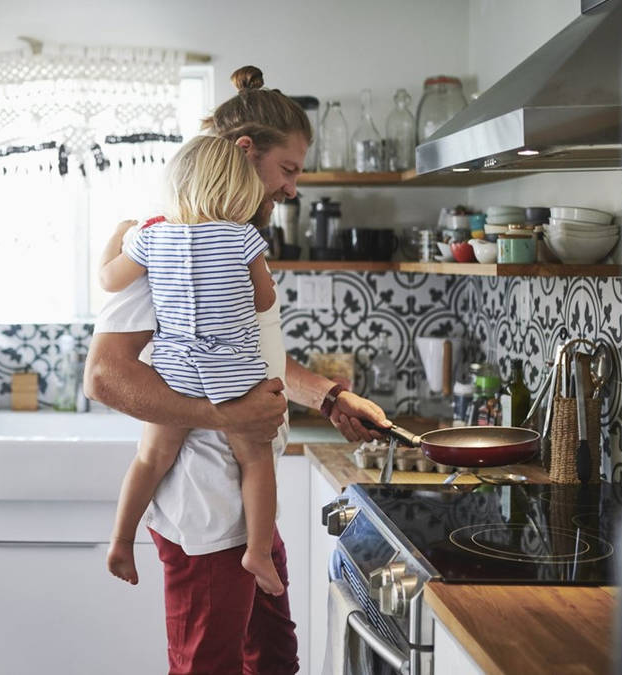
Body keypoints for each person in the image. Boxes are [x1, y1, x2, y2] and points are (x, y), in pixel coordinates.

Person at [83, 65, 390, 675]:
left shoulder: (235, 241)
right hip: (204, 509)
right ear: (246, 153)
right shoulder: (165, 241)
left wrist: (327, 396)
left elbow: (254, 357)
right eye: (289, 170)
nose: (293, 189)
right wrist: (224, 414)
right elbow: (105, 377)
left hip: (247, 509)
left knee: (273, 661)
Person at [99, 135, 285, 596]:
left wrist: (119, 236)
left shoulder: (151, 237)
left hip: (176, 372)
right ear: (240, 190)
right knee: (255, 459)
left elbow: (107, 279)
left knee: (150, 458)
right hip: (236, 375)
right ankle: (258, 551)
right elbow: (265, 299)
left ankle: (122, 540)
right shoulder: (244, 237)